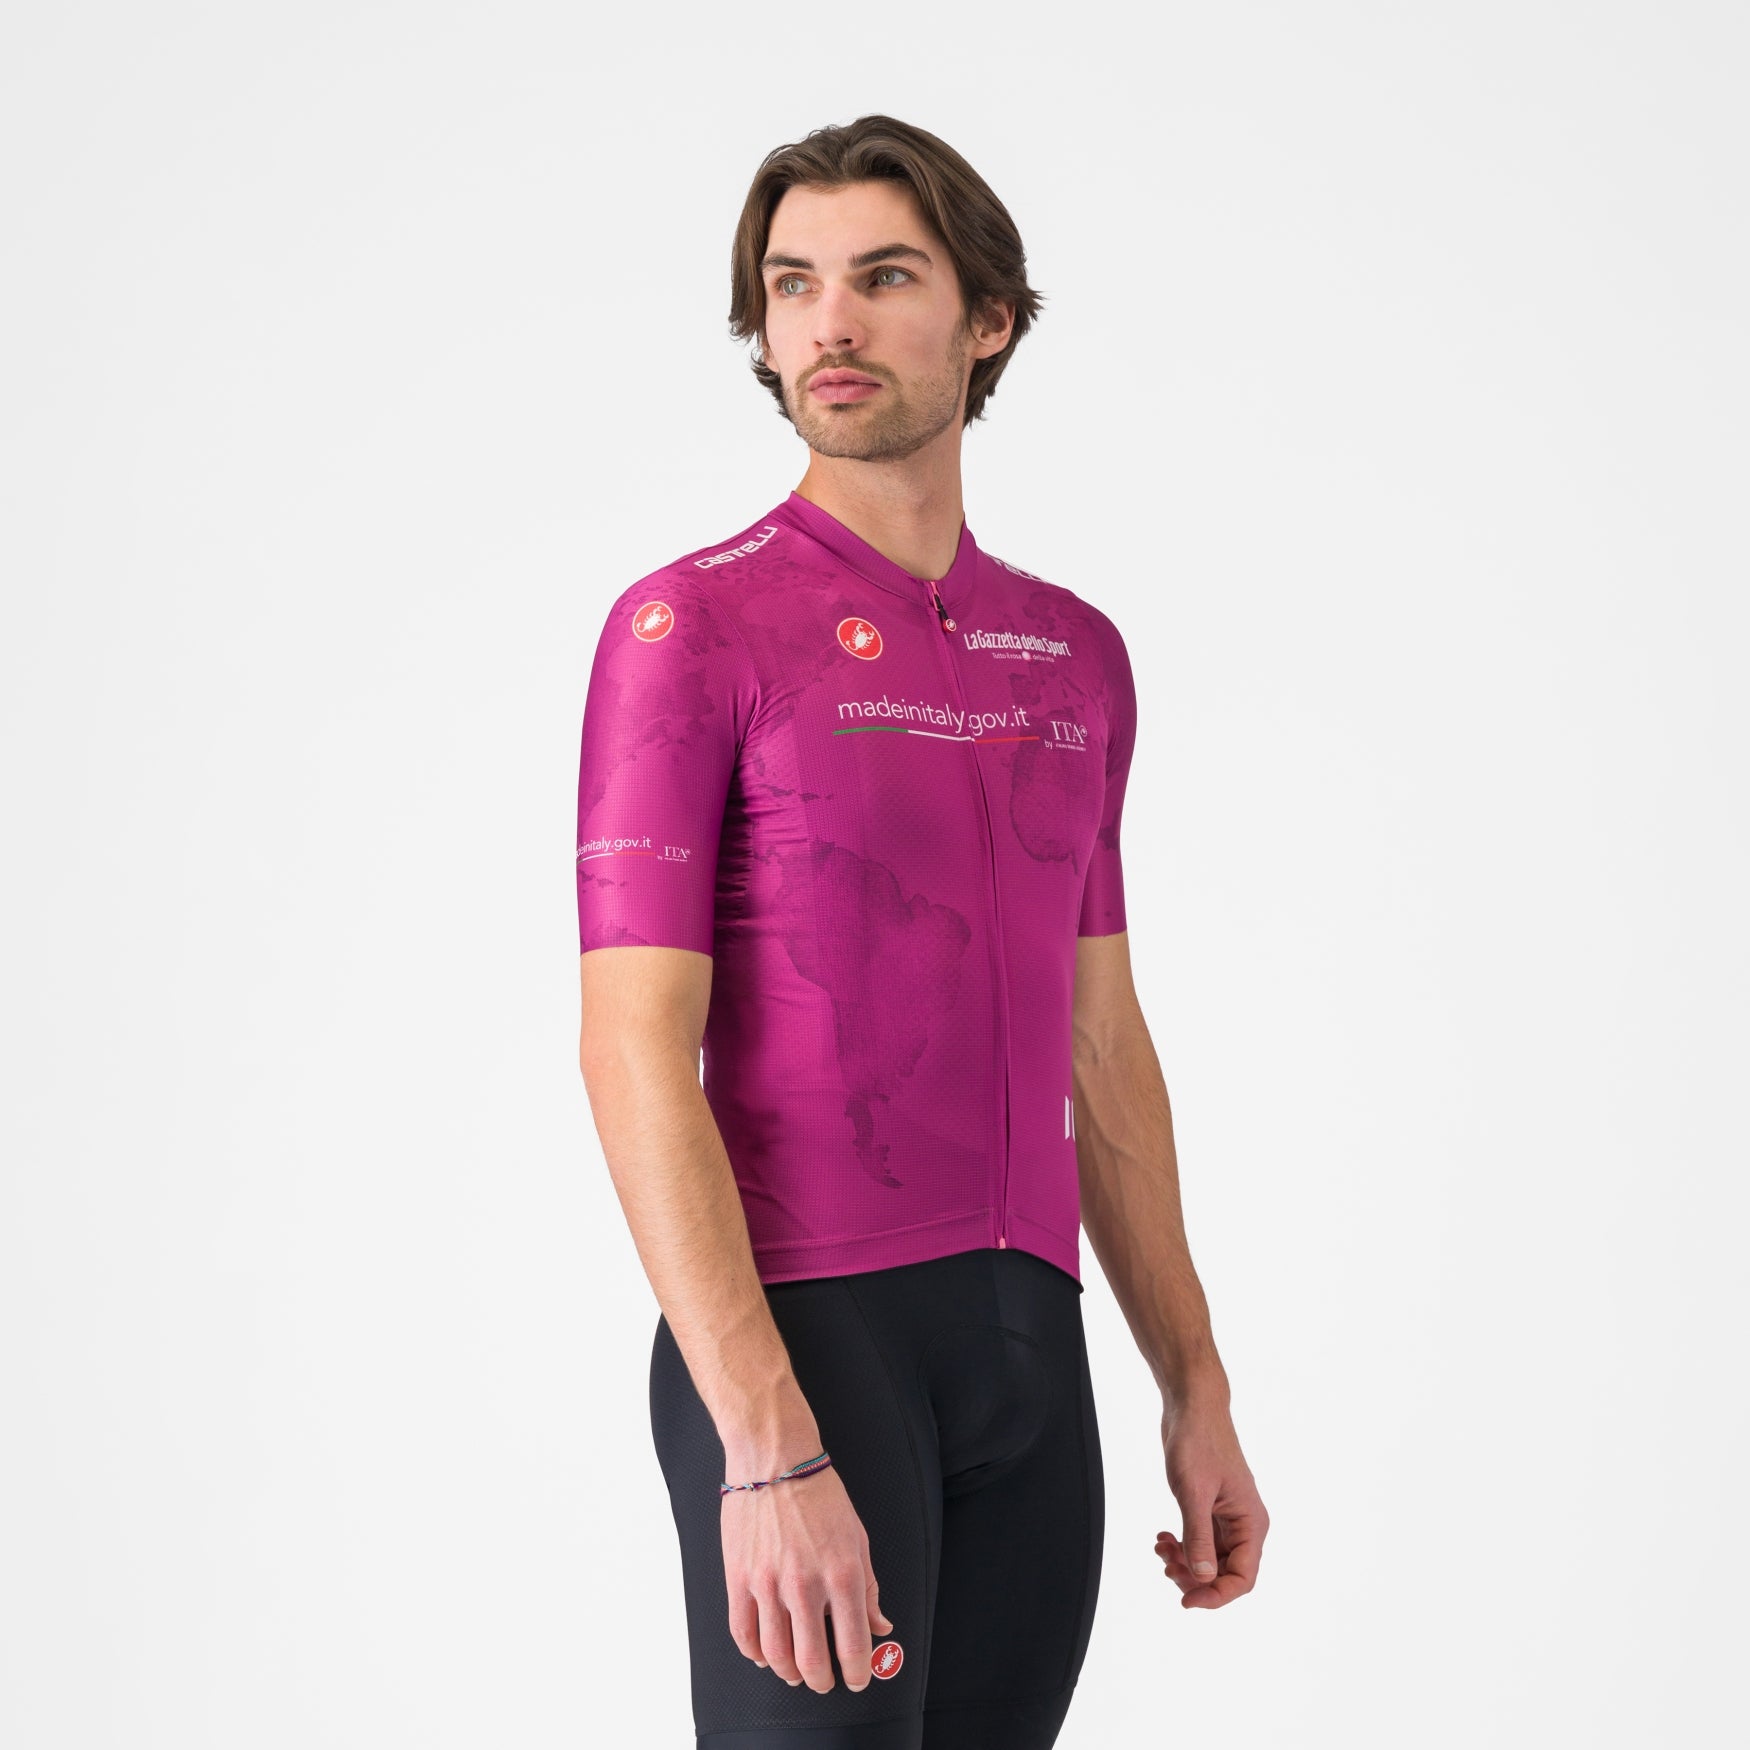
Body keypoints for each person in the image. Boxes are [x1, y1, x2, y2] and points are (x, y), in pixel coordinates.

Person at [575, 113, 1268, 1749]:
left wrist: (1193, 1380)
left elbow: (1101, 1041)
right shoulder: (692, 627)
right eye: (791, 283)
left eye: (883, 277)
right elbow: (629, 1048)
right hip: (806, 1344)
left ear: (987, 321)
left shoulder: (1071, 654)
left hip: (1032, 1351)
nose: (829, 321)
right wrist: (764, 1438)